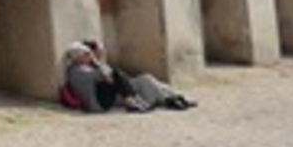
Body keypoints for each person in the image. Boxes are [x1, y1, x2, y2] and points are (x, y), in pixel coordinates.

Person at [60, 38, 193, 112]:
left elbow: (106, 76)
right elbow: (103, 75)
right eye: (87, 54)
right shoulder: (76, 71)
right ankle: (141, 101)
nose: (91, 56)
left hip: (109, 94)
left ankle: (173, 97)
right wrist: (99, 65)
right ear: (77, 57)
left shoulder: (88, 67)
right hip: (98, 104)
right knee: (143, 81)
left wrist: (102, 69)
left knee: (146, 80)